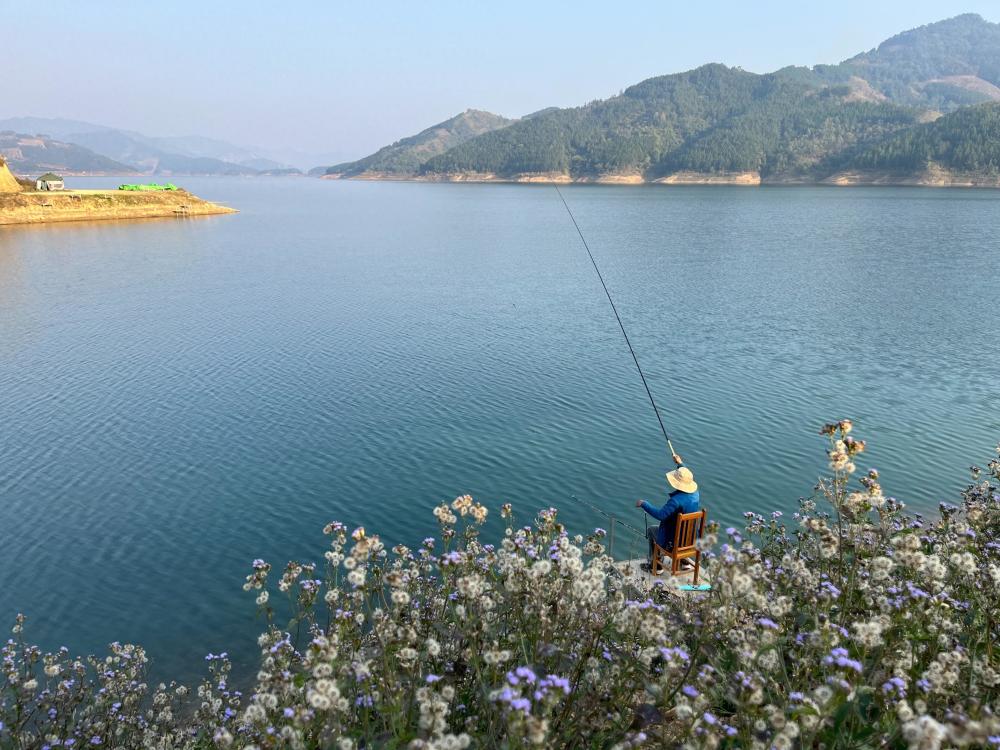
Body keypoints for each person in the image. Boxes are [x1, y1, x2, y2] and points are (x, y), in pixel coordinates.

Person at [635, 453, 700, 569]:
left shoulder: (675, 501)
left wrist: (644, 504)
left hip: (673, 543)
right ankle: (683, 560)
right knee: (682, 531)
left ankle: (655, 566)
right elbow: (686, 476)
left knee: (651, 530)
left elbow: (661, 515)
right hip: (691, 542)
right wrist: (680, 463)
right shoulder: (695, 494)